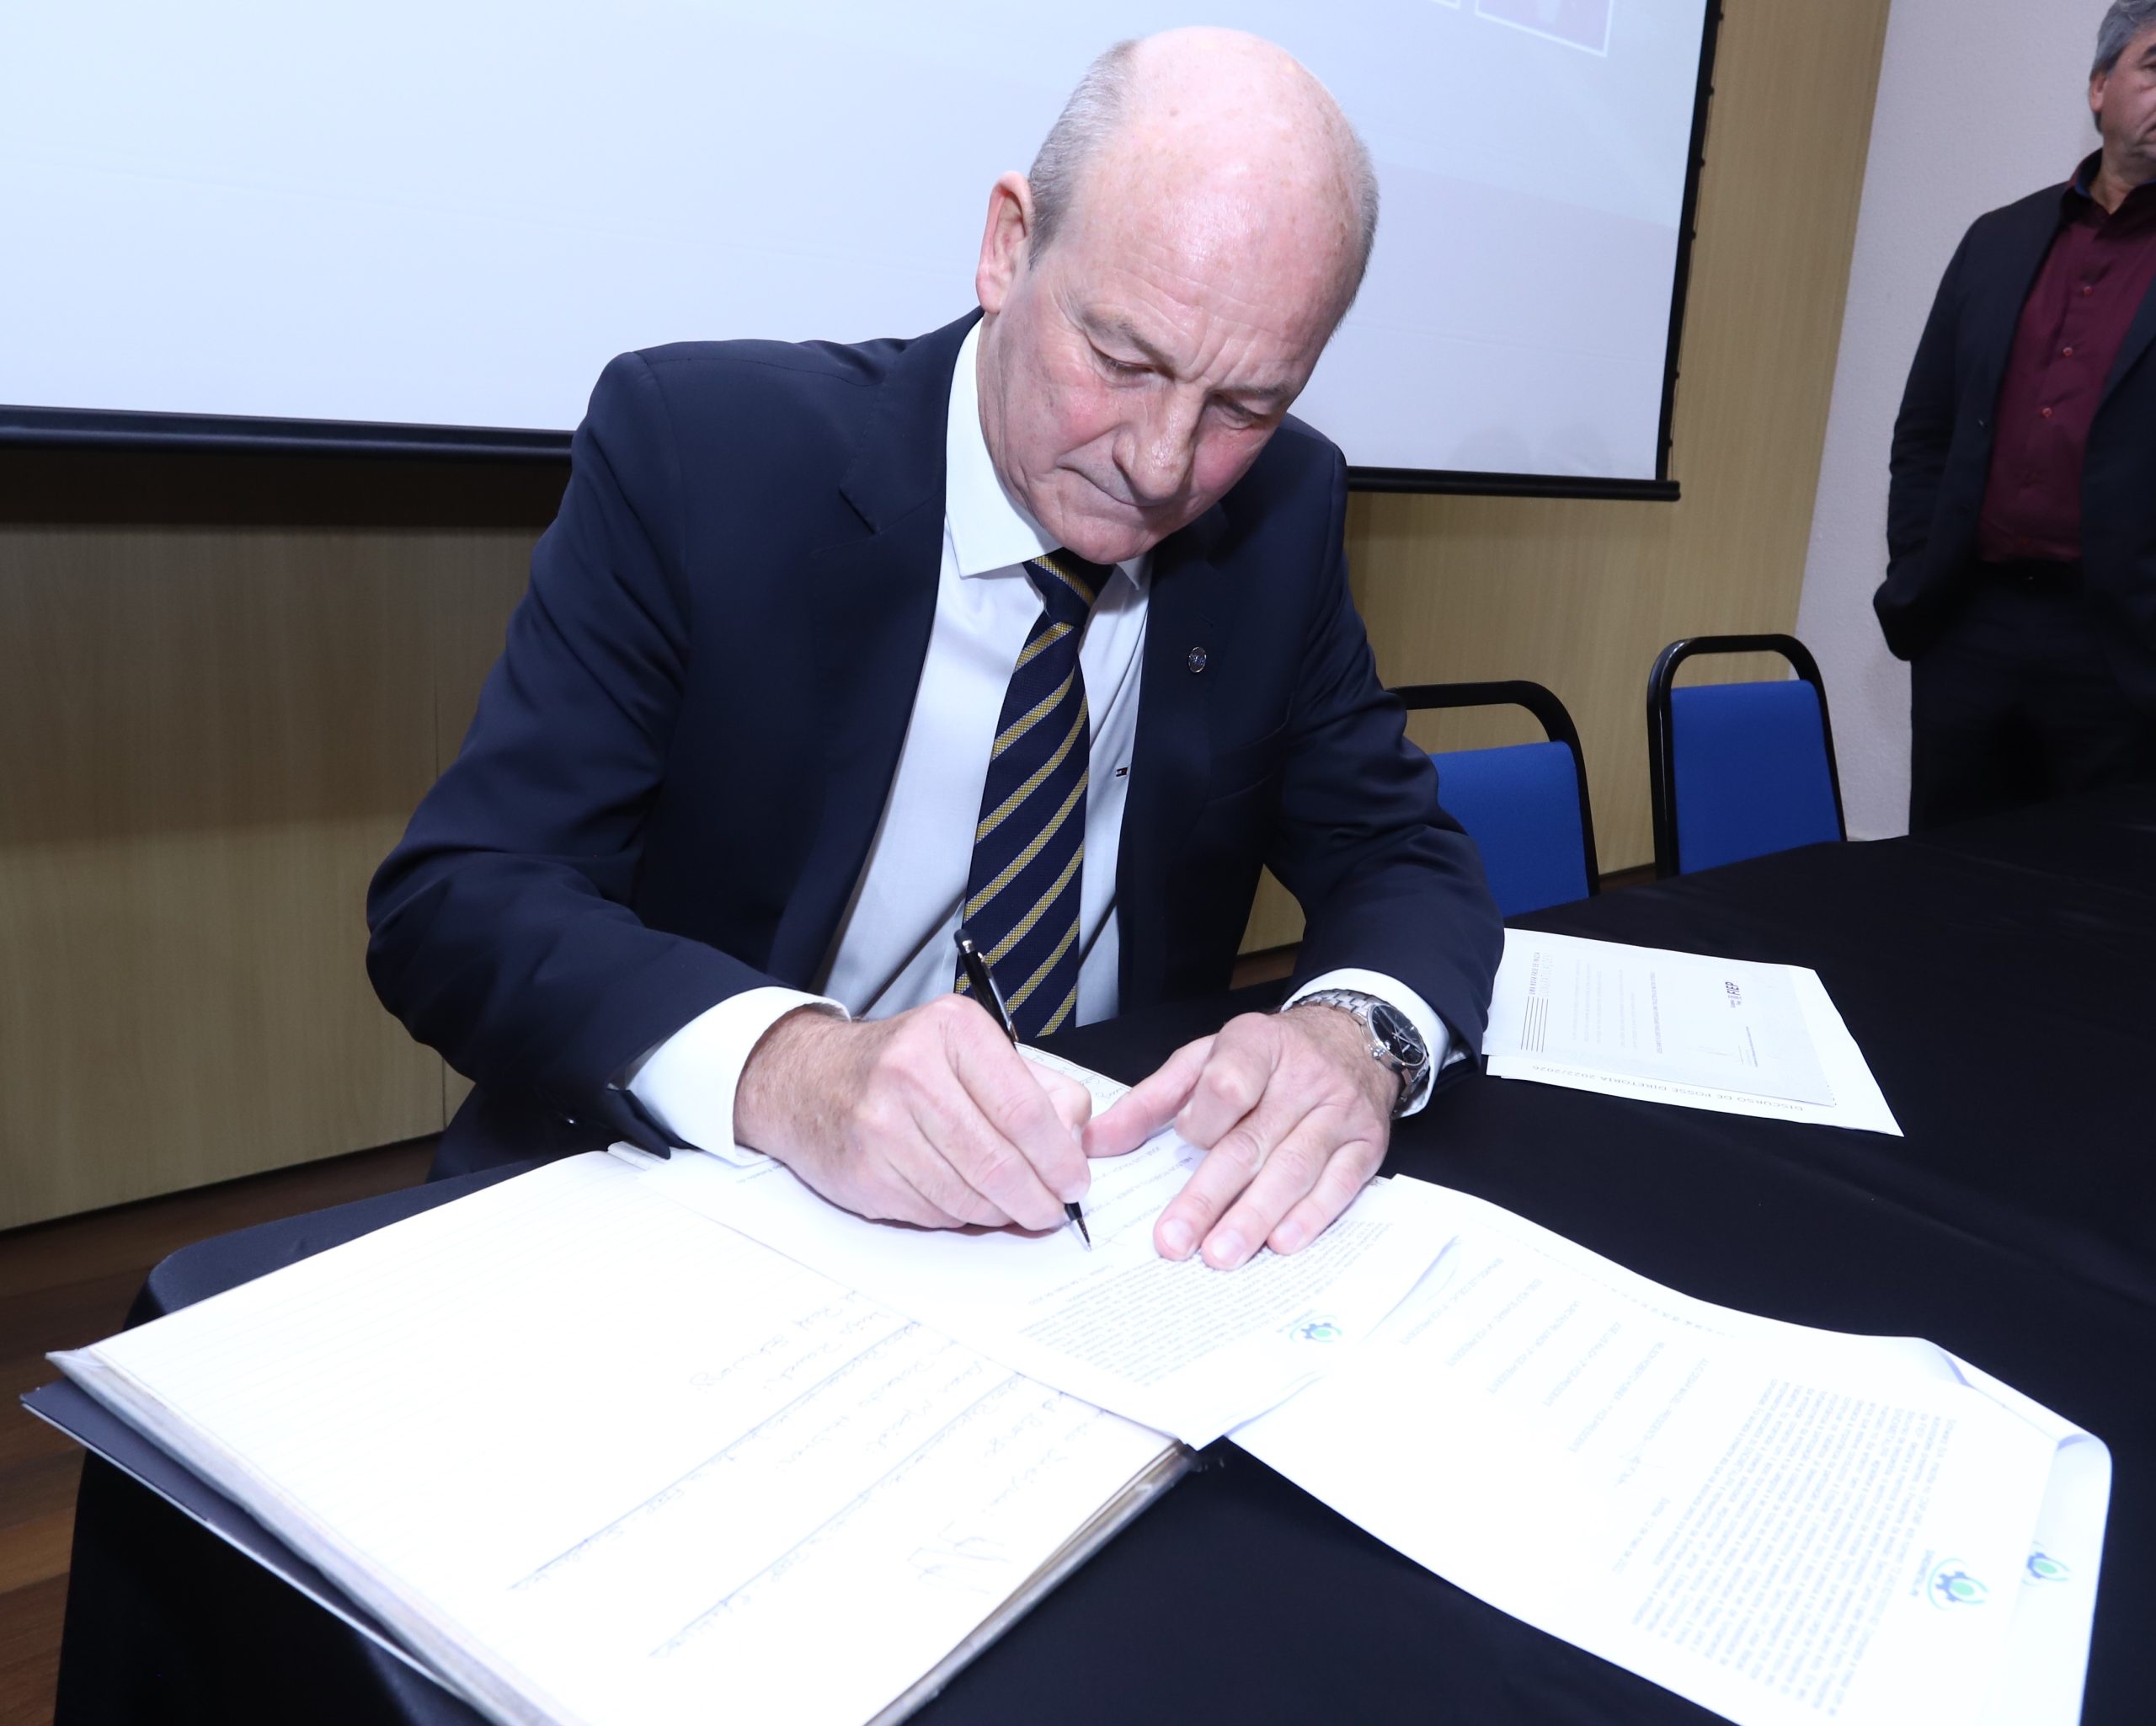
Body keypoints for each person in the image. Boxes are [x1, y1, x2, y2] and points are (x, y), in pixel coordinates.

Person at [367, 29, 1501, 1272]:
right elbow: (461, 901)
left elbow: (1398, 853)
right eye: (1122, 360)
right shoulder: (700, 453)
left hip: (1075, 1238)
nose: (1162, 461)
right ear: (1009, 245)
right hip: (680, 1207)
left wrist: (1356, 1037)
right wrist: (794, 1069)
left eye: (1243, 406)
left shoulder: (1281, 512)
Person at [1880, 0, 2156, 831]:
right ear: (2099, 87)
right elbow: (1925, 430)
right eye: (2155, 69)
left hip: (2121, 650)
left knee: (2094, 895)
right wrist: (1916, 571)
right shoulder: (1997, 240)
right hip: (1970, 626)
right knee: (1943, 878)